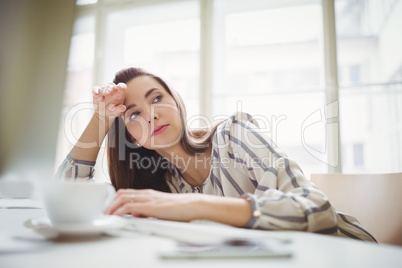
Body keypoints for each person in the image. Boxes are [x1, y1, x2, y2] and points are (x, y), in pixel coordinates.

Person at [57, 67, 376, 242]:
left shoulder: (233, 135)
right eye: (134, 115)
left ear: (177, 102)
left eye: (157, 98)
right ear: (130, 137)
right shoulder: (161, 184)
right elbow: (63, 200)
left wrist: (193, 205)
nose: (151, 115)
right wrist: (101, 118)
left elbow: (318, 209)